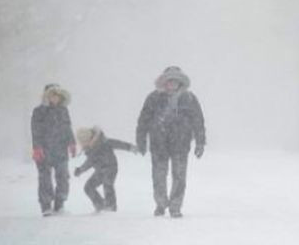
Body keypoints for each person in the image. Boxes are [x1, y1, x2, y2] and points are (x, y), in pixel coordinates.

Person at [137, 66, 206, 218]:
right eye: (169, 81)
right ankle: (160, 204)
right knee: (158, 176)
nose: (172, 84)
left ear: (180, 82)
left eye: (175, 81)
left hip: (181, 144)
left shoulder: (189, 98)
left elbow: (198, 121)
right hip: (158, 143)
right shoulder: (153, 98)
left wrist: (200, 142)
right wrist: (141, 140)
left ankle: (175, 206)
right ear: (164, 82)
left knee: (179, 177)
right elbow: (143, 120)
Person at [31, 84, 76, 216]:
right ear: (47, 96)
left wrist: (72, 143)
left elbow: (68, 127)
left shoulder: (63, 110)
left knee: (63, 177)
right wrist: (37, 147)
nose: (55, 98)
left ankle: (59, 204)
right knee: (45, 178)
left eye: (57, 95)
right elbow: (35, 130)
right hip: (44, 150)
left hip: (60, 150)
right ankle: (46, 206)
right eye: (52, 95)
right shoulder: (39, 111)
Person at [74, 126, 138, 212]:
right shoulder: (89, 148)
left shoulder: (103, 142)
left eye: (83, 142)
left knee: (107, 184)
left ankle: (111, 206)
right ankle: (100, 204)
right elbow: (89, 162)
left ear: (88, 139)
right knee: (88, 187)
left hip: (111, 167)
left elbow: (118, 144)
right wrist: (80, 170)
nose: (83, 145)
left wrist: (130, 147)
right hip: (99, 171)